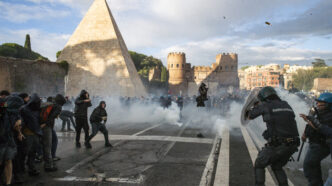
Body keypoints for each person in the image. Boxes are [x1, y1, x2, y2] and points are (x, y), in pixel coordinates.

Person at [247, 86, 299, 186]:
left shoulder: (265, 105)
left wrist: (256, 105)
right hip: (293, 144)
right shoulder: (286, 104)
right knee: (277, 165)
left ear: (263, 97)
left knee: (259, 163)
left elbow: (249, 116)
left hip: (280, 144)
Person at [300, 92, 332, 186]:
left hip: (321, 144)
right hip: (313, 142)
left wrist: (313, 123)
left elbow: (323, 129)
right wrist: (305, 133)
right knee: (311, 165)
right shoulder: (317, 112)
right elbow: (310, 124)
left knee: (310, 165)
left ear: (328, 104)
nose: (317, 104)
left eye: (320, 103)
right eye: (317, 102)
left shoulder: (329, 116)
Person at [0, 95, 24, 185]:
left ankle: (8, 182)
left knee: (9, 160)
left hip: (8, 139)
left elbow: (15, 124)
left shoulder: (10, 113)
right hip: (3, 140)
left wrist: (19, 132)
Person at [40, 94, 66, 172]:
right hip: (47, 126)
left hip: (43, 125)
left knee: (53, 140)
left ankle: (49, 158)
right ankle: (48, 166)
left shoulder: (49, 103)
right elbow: (51, 117)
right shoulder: (58, 106)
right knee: (47, 145)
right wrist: (45, 123)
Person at [20, 93, 42, 176]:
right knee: (25, 152)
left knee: (33, 152)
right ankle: (21, 168)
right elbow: (21, 121)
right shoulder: (24, 109)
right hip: (27, 134)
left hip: (35, 133)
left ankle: (31, 168)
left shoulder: (37, 110)